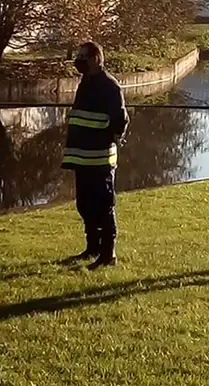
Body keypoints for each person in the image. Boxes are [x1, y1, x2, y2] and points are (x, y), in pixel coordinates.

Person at [61, 41, 129, 270]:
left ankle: (108, 254)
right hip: (81, 156)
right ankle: (92, 248)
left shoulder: (110, 86)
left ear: (96, 59)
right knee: (85, 205)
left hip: (100, 158)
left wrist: (107, 138)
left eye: (83, 56)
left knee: (103, 206)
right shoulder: (85, 83)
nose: (78, 60)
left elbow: (121, 120)